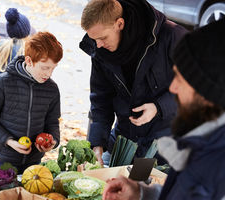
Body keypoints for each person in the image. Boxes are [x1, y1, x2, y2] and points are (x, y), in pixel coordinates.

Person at [103, 19, 225, 200]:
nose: (173, 87)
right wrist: (142, 195)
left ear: (209, 91)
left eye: (181, 78)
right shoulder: (201, 144)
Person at [79, 0, 187, 166]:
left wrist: (158, 108)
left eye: (102, 38)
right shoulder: (99, 50)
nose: (98, 45)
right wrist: (97, 145)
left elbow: (198, 88)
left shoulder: (171, 36)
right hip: (124, 142)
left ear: (119, 23)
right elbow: (101, 100)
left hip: (168, 146)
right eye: (94, 40)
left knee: (152, 191)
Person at [0, 32, 63, 174]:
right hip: (6, 159)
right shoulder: (3, 83)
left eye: (53, 68)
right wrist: (9, 141)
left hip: (34, 160)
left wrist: (53, 141)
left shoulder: (51, 89)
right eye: (45, 67)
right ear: (29, 61)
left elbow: (52, 122)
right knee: (7, 194)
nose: (49, 74)